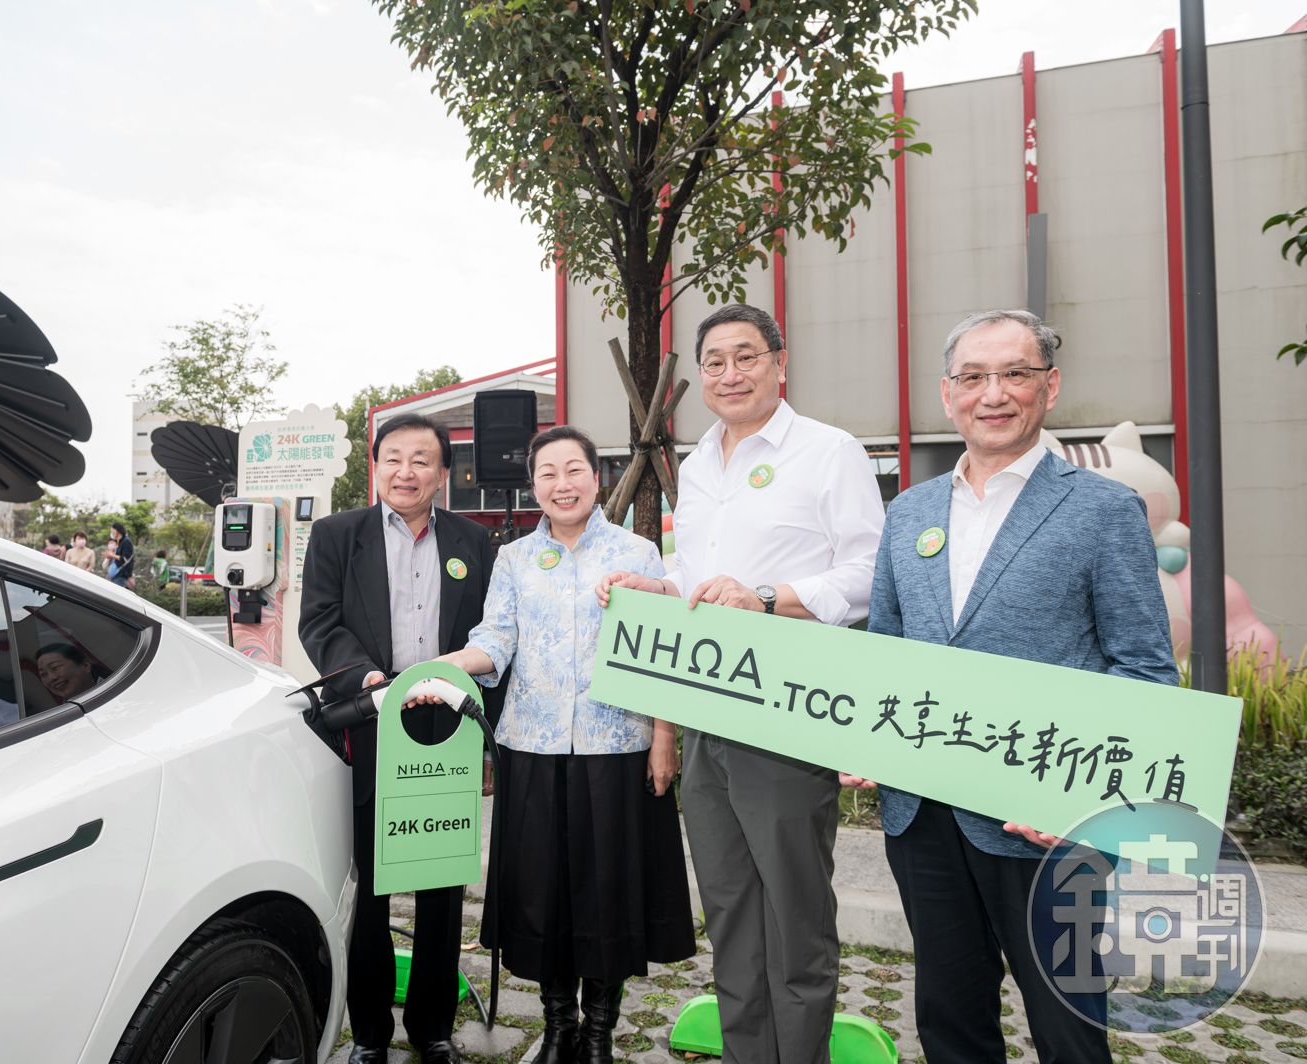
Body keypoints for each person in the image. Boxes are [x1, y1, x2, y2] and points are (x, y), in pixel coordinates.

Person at [852, 308, 1177, 1064]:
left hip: (1046, 821)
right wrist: (863, 738)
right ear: (947, 394)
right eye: (973, 377)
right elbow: (887, 648)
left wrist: (1088, 806)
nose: (993, 394)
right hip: (923, 815)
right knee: (949, 1018)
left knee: (1068, 1026)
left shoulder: (1103, 508)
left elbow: (1144, 668)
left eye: (1014, 374)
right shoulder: (909, 512)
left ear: (1049, 387)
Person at [597, 303, 884, 1064]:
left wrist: (767, 597)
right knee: (728, 908)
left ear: (780, 364)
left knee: (795, 913)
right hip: (704, 710)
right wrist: (659, 589)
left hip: (786, 713)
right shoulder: (696, 466)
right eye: (715, 362)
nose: (730, 374)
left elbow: (869, 573)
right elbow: (700, 578)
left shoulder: (829, 452)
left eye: (746, 356)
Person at [417, 426, 694, 1064]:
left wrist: (663, 736)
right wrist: (441, 667)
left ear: (597, 478)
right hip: (532, 749)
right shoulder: (514, 558)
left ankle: (598, 1034)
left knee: (607, 895)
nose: (561, 484)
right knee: (545, 895)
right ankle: (558, 1025)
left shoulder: (637, 552)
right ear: (533, 484)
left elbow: (663, 652)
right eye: (548, 473)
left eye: (574, 470)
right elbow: (495, 639)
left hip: (616, 747)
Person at [298, 412, 500, 1064]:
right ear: (377, 466)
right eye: (393, 458)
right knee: (372, 886)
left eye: (421, 460)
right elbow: (319, 622)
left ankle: (432, 1029)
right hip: (370, 724)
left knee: (442, 886)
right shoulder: (337, 535)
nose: (405, 472)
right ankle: (370, 1035)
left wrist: (482, 734)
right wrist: (367, 678)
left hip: (447, 730)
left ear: (442, 474)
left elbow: (490, 633)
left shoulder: (474, 541)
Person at [35, 642, 102, 703]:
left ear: (85, 665)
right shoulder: (62, 712)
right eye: (43, 674)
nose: (52, 678)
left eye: (55, 667)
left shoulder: (108, 689)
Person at [105, 522, 135, 588]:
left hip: (121, 575)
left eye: (112, 531)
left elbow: (125, 559)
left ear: (117, 531)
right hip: (115, 574)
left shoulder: (126, 541)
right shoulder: (119, 541)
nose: (111, 533)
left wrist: (112, 555)